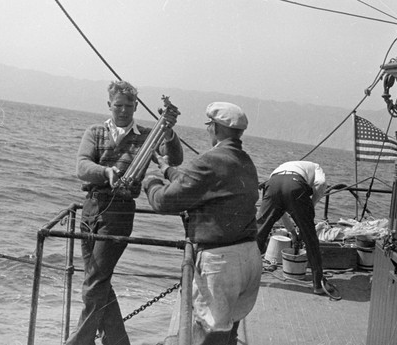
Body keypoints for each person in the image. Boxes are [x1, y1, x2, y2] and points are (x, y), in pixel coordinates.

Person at [66, 80, 183, 345]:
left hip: (119, 212)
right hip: (91, 207)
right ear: (109, 105)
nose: (123, 111)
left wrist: (168, 131)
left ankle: (78, 342)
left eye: (129, 106)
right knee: (97, 279)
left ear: (135, 107)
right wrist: (105, 172)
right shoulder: (95, 132)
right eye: (118, 105)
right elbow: (82, 166)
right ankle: (118, 341)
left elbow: (174, 160)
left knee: (95, 281)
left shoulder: (146, 136)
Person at [143, 102, 262, 345]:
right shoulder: (245, 161)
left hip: (220, 264)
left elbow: (165, 202)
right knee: (229, 332)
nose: (208, 129)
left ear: (215, 129)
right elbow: (200, 185)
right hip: (250, 256)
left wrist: (150, 182)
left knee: (207, 335)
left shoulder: (210, 160)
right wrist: (167, 170)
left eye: (209, 125)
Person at [256, 160, 341, 300]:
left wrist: (293, 233)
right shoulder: (316, 167)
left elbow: (280, 211)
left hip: (272, 183)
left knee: (259, 234)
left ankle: (242, 277)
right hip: (296, 185)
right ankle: (318, 284)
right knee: (310, 238)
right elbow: (321, 184)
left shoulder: (283, 166)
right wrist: (311, 205)